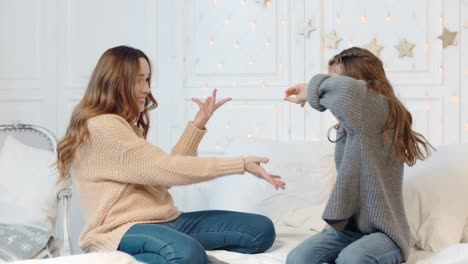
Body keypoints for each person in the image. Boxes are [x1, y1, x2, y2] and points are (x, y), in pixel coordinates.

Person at [56, 45, 285, 264]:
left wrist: (198, 124)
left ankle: (187, 256)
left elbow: (163, 173)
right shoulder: (103, 127)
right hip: (121, 230)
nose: (146, 89)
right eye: (138, 80)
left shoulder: (123, 125)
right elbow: (166, 169)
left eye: (147, 79)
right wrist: (240, 164)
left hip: (167, 220)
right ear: (117, 83)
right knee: (187, 254)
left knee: (260, 231)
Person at [283, 47, 433, 264]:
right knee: (298, 258)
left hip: (386, 233)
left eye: (335, 80)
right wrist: (336, 221)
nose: (331, 87)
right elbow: (350, 177)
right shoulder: (349, 127)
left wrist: (312, 88)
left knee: (350, 260)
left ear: (361, 81)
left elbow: (351, 92)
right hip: (350, 230)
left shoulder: (381, 107)